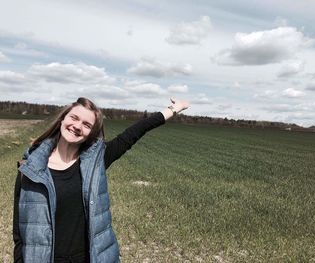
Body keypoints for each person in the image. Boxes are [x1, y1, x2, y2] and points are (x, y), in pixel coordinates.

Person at [13, 97, 189, 263]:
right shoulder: (30, 168)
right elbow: (19, 231)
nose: (77, 126)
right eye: (74, 118)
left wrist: (173, 109)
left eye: (86, 124)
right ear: (62, 119)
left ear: (90, 133)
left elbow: (134, 132)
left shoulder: (97, 161)